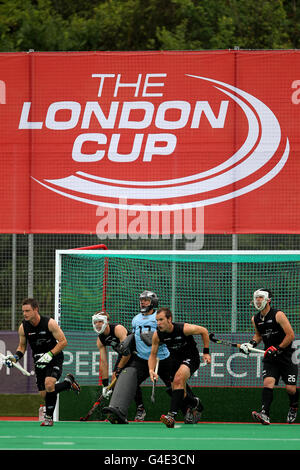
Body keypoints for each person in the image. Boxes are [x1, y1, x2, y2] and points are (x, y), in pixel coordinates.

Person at [4, 298, 80, 426]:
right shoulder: (23, 327)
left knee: (49, 384)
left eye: (27, 311)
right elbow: (21, 347)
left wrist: (49, 355)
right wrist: (15, 358)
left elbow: (63, 342)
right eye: (23, 311)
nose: (25, 314)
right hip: (39, 361)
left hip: (54, 357)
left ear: (36, 310)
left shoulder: (50, 323)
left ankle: (48, 419)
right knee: (45, 394)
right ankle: (68, 383)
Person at [103, 290, 172, 424]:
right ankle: (118, 411)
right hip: (141, 359)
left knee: (175, 385)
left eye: (146, 300)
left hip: (161, 359)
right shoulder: (136, 319)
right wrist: (126, 345)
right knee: (128, 378)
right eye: (141, 300)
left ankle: (191, 406)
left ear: (153, 302)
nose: (143, 302)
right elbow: (135, 337)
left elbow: (168, 333)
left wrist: (160, 338)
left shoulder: (158, 318)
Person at [240, 288, 298, 425]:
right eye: (256, 298)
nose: (257, 300)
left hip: (287, 356)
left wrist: (278, 348)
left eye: (260, 297)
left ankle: (294, 406)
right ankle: (265, 413)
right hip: (270, 358)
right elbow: (258, 335)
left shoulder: (278, 315)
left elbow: (291, 335)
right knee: (268, 383)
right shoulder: (255, 319)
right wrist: (251, 344)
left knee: (291, 389)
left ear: (268, 300)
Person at [148, 307, 211, 428]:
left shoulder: (184, 328)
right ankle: (195, 403)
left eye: (161, 320)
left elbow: (203, 331)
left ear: (169, 319)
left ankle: (171, 416)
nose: (158, 323)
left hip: (191, 358)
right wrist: (151, 370)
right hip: (175, 360)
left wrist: (206, 352)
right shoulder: (158, 335)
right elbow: (152, 354)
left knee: (178, 380)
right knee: (178, 392)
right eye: (157, 320)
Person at [92, 310, 146, 421]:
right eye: (96, 322)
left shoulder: (118, 329)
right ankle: (115, 411)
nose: (97, 324)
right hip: (124, 355)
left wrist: (119, 369)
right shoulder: (100, 339)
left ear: (106, 322)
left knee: (126, 379)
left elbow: (127, 352)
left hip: (137, 354)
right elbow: (103, 362)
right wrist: (105, 385)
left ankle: (140, 409)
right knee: (115, 378)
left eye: (100, 322)